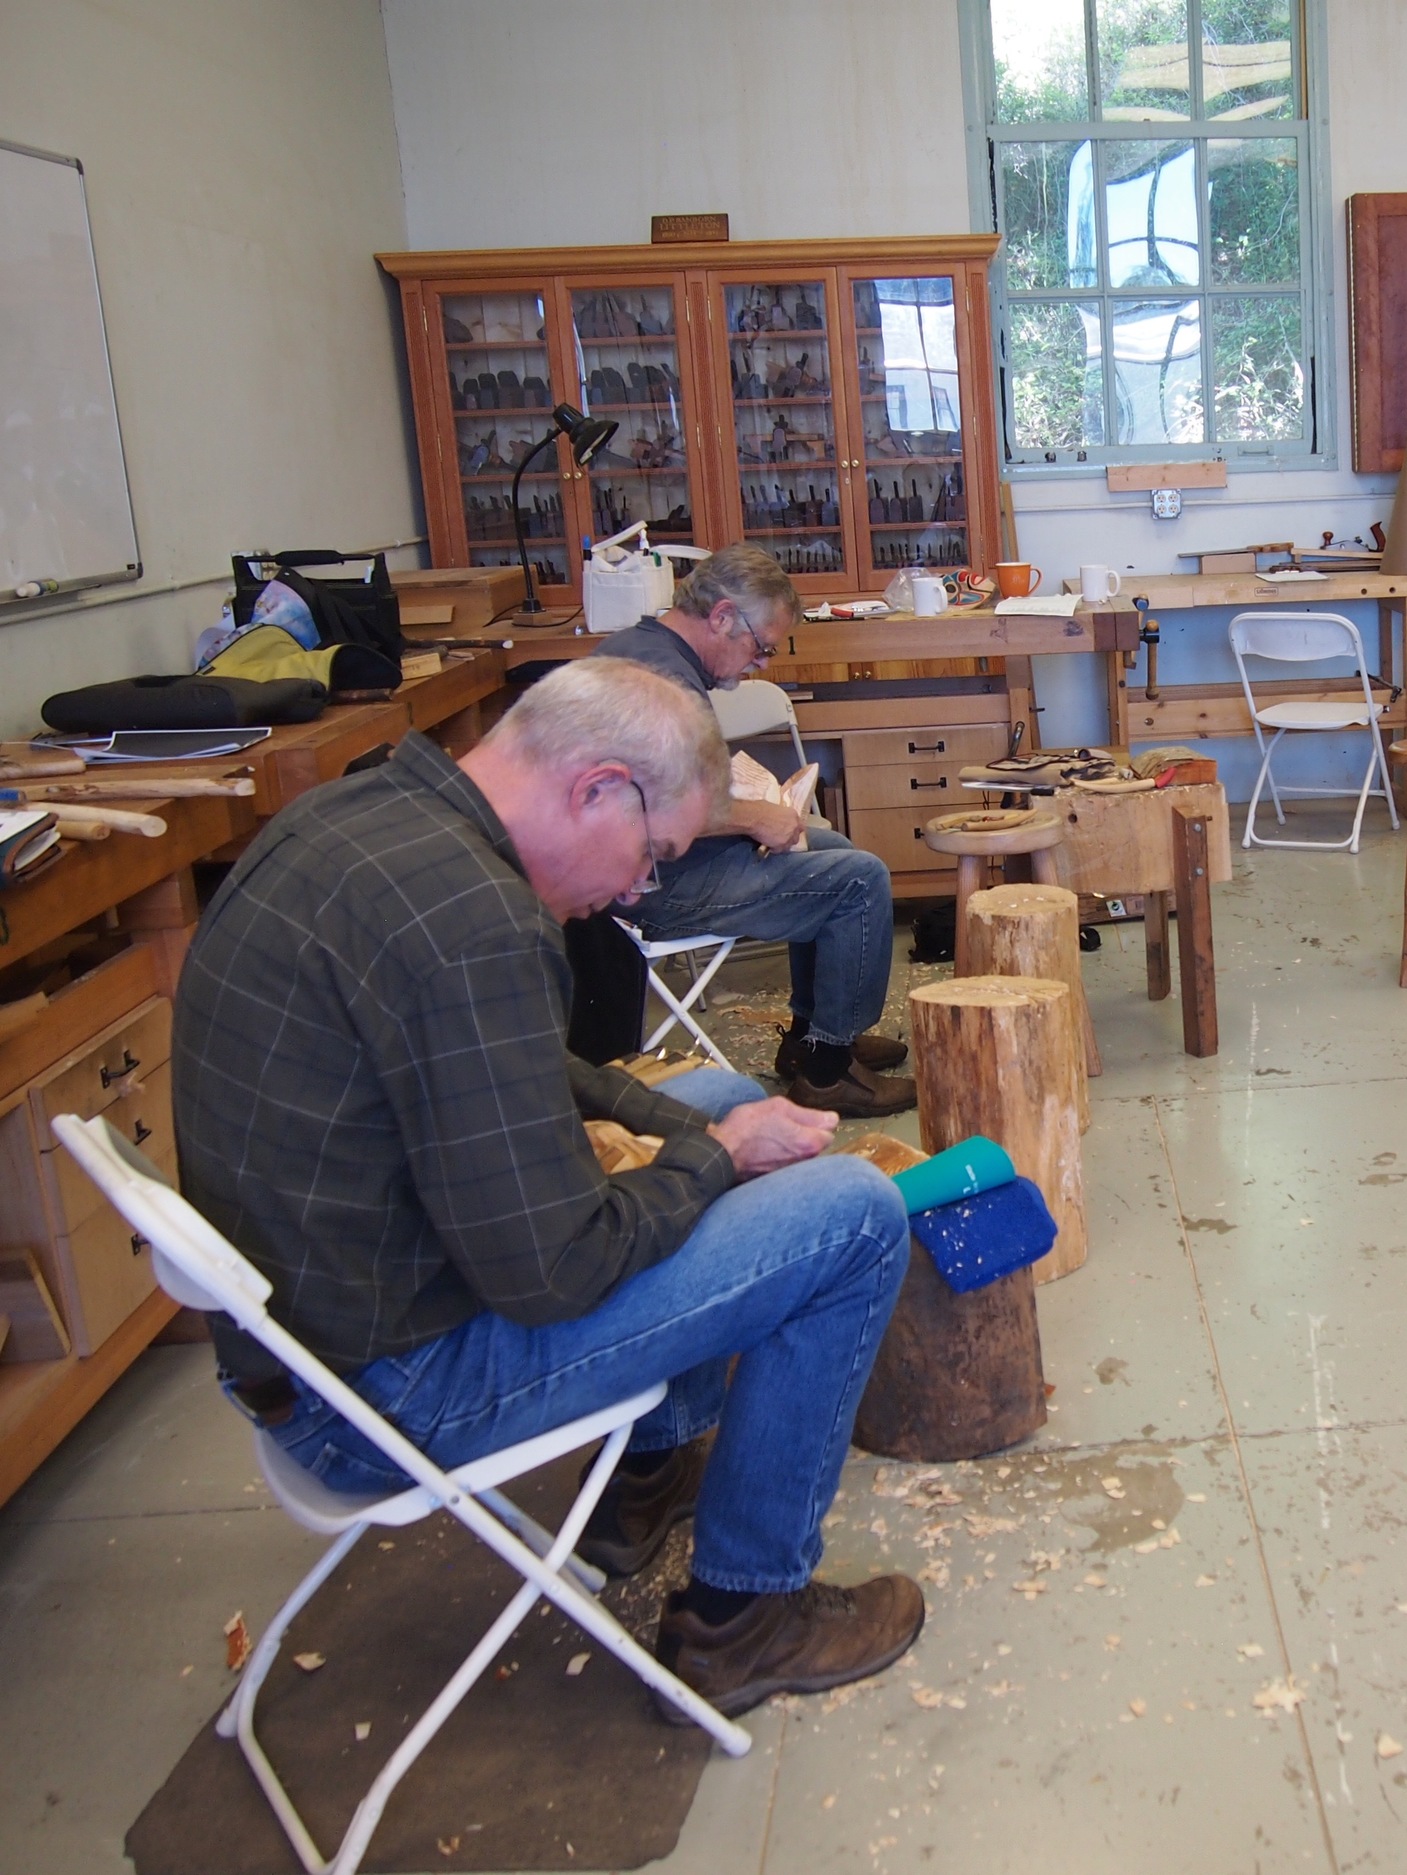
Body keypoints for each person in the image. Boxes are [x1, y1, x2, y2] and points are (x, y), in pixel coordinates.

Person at [171, 658, 924, 1717]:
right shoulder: (480, 920)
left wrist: (698, 1123)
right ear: (597, 788)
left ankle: (646, 1475)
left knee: (707, 1087)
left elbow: (517, 1060)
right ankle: (745, 1621)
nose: (636, 890)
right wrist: (714, 1161)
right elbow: (553, 1269)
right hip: (388, 1401)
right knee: (850, 1219)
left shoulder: (361, 818)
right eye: (651, 855)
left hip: (315, 1342)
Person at [593, 543, 915, 1117]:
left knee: (832, 847)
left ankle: (811, 1035)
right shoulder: (662, 680)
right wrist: (756, 816)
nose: (762, 663)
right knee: (858, 879)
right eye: (761, 647)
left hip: (652, 861)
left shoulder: (645, 650)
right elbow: (663, 809)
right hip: (654, 883)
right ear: (721, 617)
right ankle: (825, 1072)